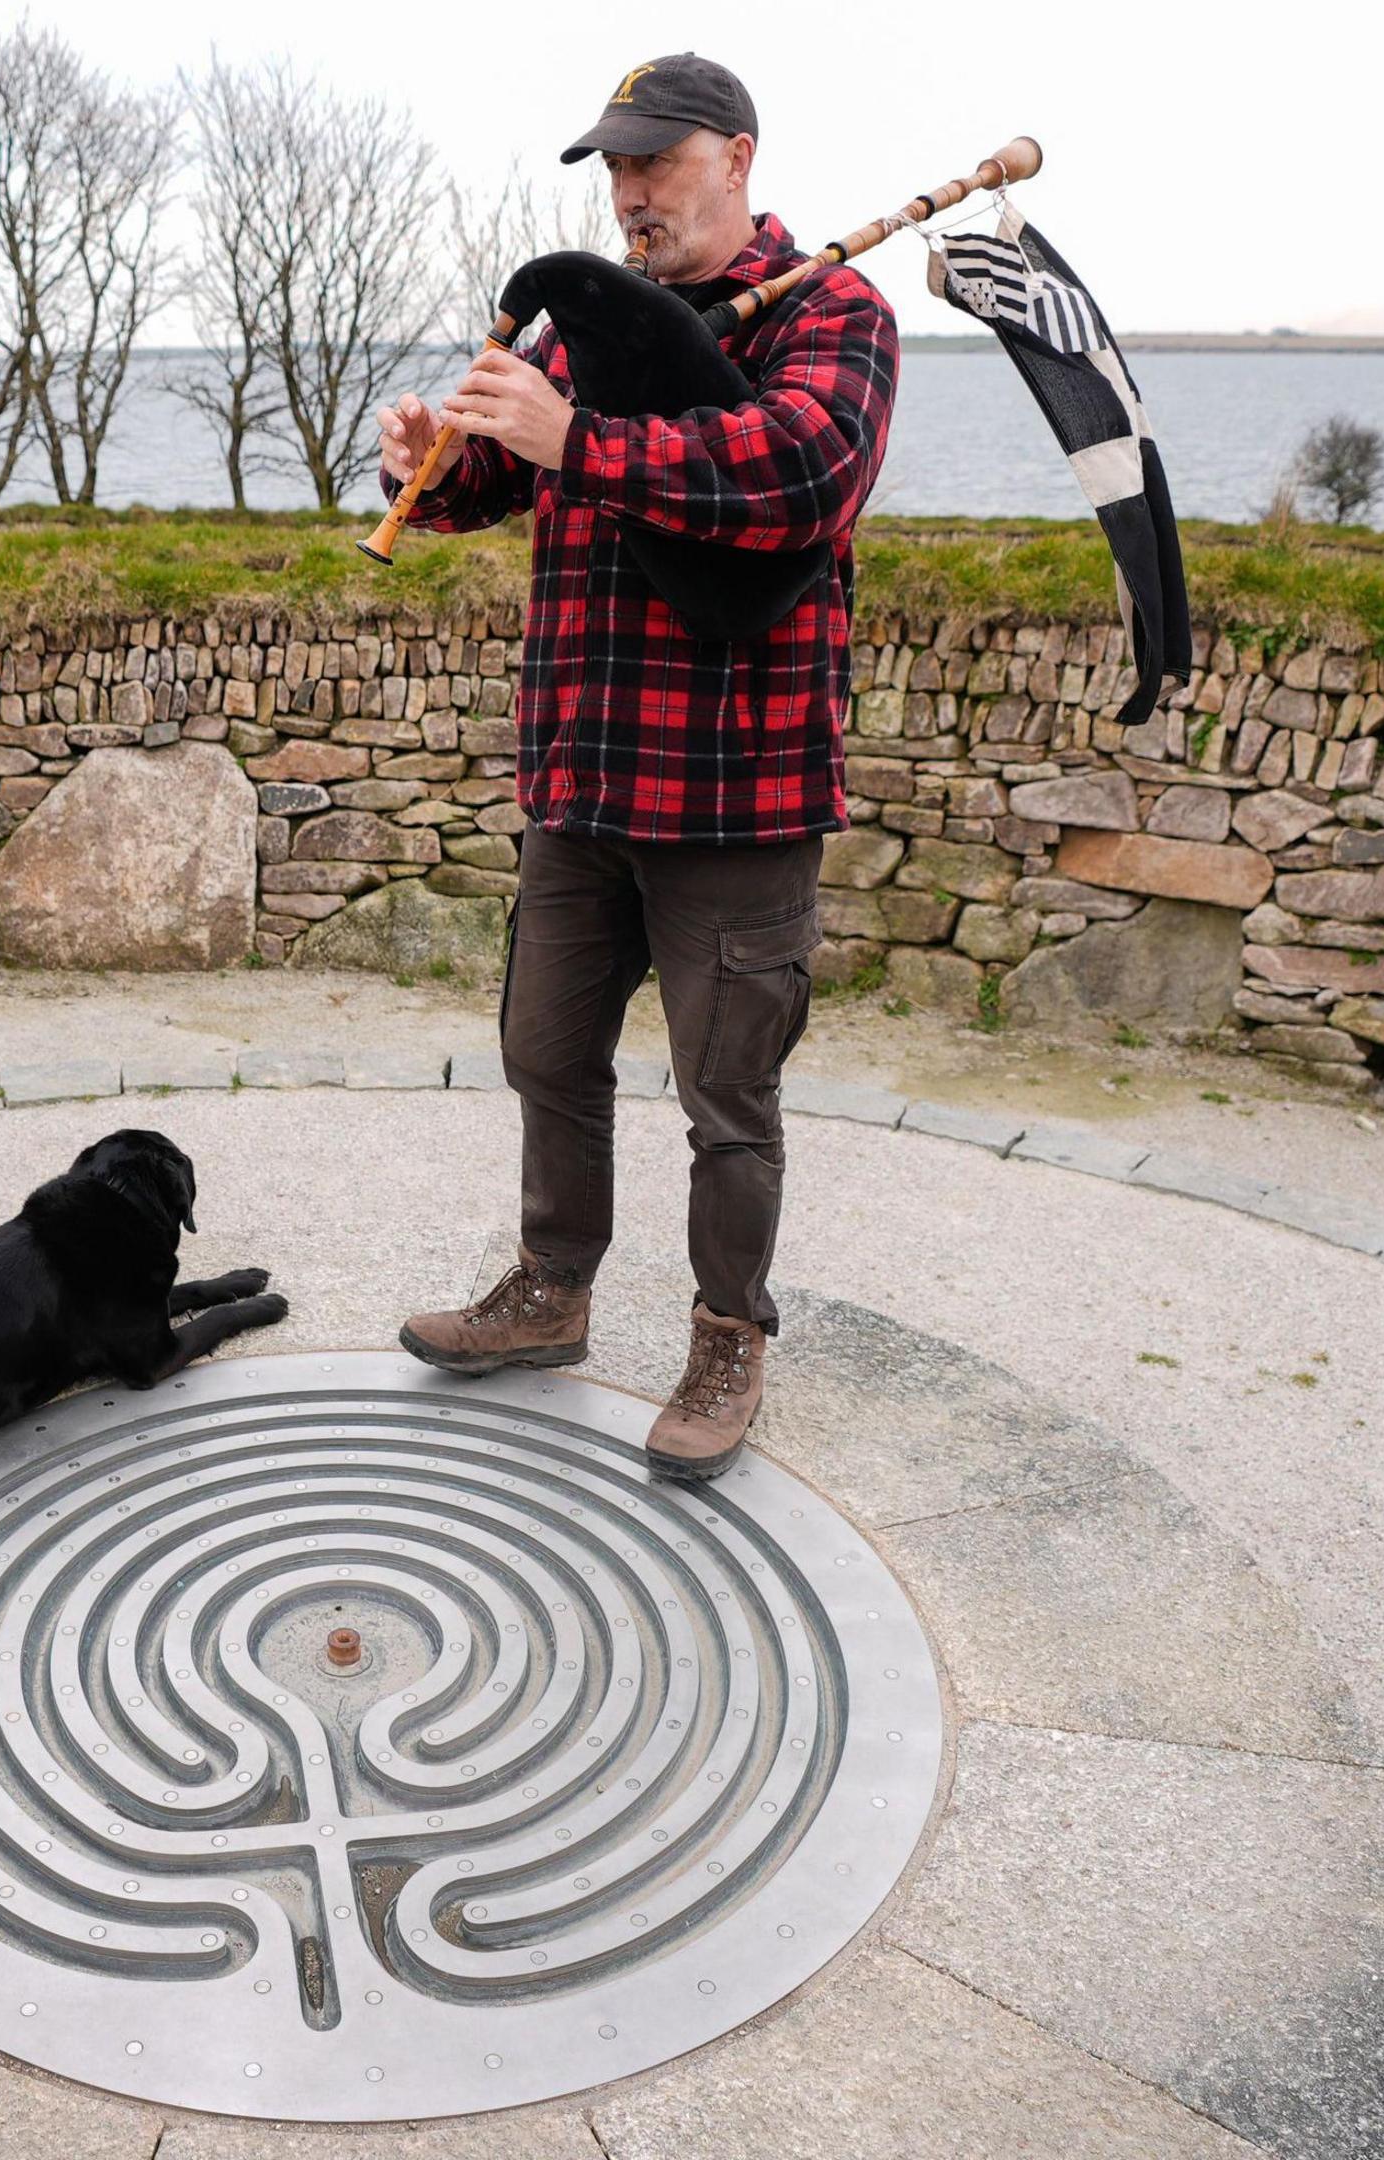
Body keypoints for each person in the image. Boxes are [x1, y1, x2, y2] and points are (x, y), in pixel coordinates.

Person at [381, 52, 899, 1480]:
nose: (629, 192)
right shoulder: (591, 327)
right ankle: (552, 1294)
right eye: (613, 168)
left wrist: (584, 439)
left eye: (655, 164)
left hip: (735, 794)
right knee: (546, 1053)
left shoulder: (837, 314)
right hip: (582, 782)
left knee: (728, 1103)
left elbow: (797, 476)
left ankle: (728, 1338)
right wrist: (431, 462)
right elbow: (501, 479)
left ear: (736, 157)